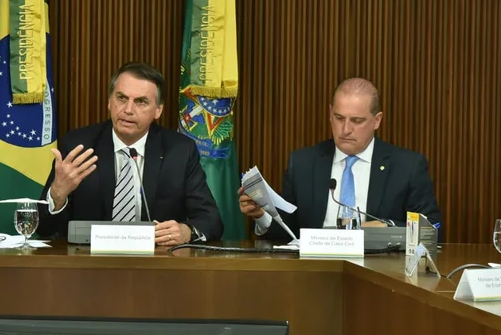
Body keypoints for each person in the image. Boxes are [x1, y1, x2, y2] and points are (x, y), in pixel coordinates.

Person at [38, 62, 223, 244]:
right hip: (90, 264)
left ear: (158, 110)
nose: (128, 110)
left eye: (141, 102)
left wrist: (186, 231)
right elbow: (44, 228)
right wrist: (57, 195)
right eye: (121, 98)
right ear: (110, 102)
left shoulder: (180, 151)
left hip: (157, 266)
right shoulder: (79, 147)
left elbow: (211, 221)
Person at [239, 77, 441, 239]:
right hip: (316, 272)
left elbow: (430, 229)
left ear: (377, 120)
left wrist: (384, 226)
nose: (345, 129)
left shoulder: (407, 166)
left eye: (357, 121)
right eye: (339, 118)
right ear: (330, 113)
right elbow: (289, 230)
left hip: (380, 272)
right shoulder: (303, 163)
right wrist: (261, 215)